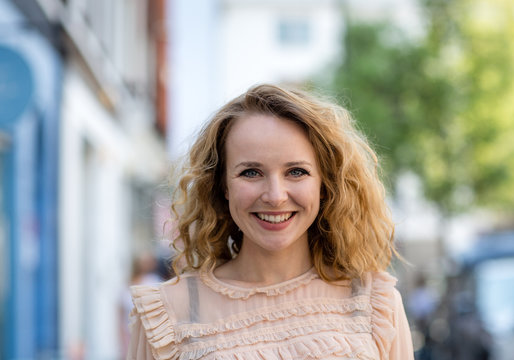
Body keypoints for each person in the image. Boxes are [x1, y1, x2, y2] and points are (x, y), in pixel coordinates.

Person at [128, 84, 414, 359]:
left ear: (324, 184)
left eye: (297, 172)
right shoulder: (166, 315)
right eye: (251, 173)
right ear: (222, 186)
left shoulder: (375, 305)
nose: (275, 196)